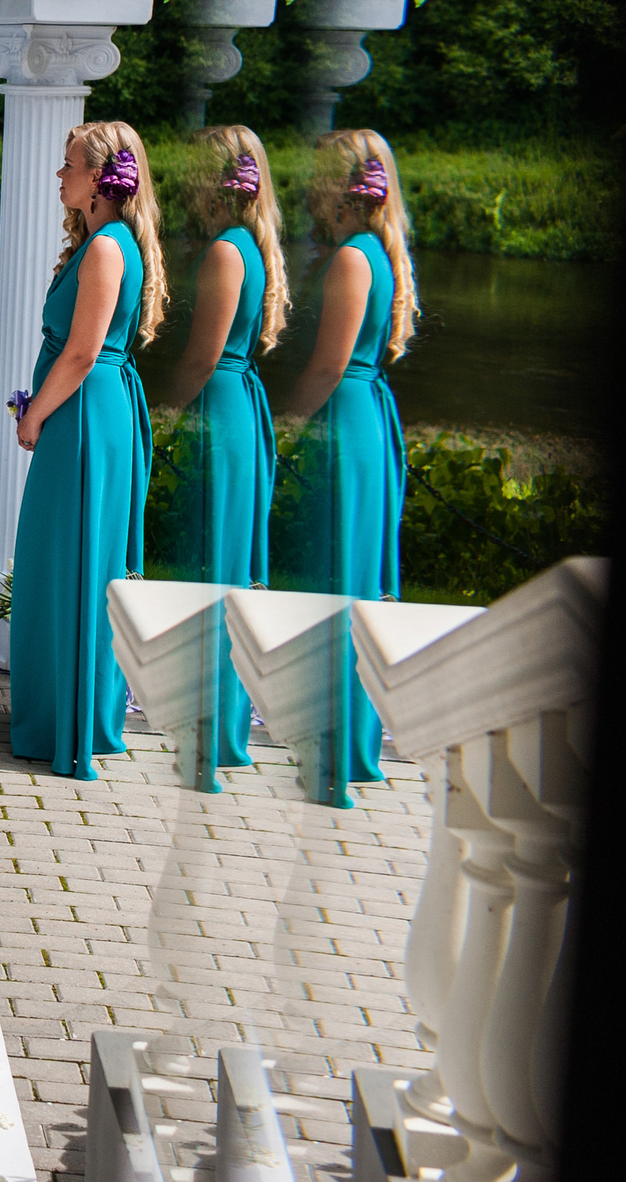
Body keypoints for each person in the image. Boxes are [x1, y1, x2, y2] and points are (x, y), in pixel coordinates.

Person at [7, 121, 164, 780]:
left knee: (73, 563)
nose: (59, 175)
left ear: (102, 179)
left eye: (68, 164)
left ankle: (69, 721)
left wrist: (34, 413)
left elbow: (82, 351)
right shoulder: (102, 241)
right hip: (88, 411)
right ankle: (63, 710)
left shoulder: (107, 249)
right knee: (62, 561)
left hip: (84, 417)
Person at [152, 126, 286, 776]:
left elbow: (204, 355)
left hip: (223, 410)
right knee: (222, 562)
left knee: (214, 563)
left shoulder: (227, 252)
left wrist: (168, 409)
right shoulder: (250, 247)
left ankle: (211, 720)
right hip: (238, 403)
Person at [285, 127, 416, 787]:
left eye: (319, 172)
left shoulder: (351, 258)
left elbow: (329, 364)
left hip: (346, 421)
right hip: (367, 419)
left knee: (337, 575)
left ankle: (334, 735)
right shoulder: (375, 251)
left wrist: (287, 426)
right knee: (350, 576)